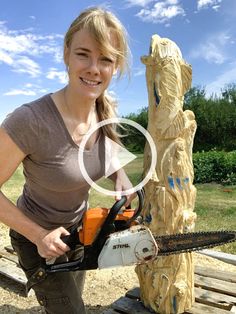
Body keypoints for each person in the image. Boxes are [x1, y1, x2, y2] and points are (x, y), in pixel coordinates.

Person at [0, 7, 134, 313]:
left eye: (106, 59)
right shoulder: (30, 120)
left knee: (73, 303)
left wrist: (122, 182)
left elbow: (111, 157)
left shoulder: (105, 109)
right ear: (66, 54)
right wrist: (38, 235)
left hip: (80, 233)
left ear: (116, 66)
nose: (94, 68)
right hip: (37, 239)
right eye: (83, 54)